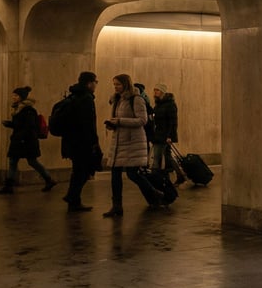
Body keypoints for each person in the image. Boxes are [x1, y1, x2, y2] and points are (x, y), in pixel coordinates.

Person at [102, 73, 163, 217]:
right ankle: (117, 206)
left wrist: (121, 121)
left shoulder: (136, 99)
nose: (115, 87)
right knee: (115, 174)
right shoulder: (116, 100)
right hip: (119, 141)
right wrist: (112, 124)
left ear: (126, 84)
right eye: (114, 84)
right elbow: (117, 119)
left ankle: (155, 193)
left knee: (132, 173)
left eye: (118, 84)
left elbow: (142, 121)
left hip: (133, 142)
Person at [0, 86, 56, 194]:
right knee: (14, 161)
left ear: (21, 97)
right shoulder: (18, 109)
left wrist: (19, 134)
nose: (13, 97)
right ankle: (9, 186)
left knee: (31, 161)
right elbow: (20, 125)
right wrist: (11, 124)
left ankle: (49, 179)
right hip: (20, 140)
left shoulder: (28, 110)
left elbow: (29, 126)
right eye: (13, 95)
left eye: (16, 95)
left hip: (26, 141)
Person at [59, 71, 101, 212]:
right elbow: (88, 123)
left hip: (71, 140)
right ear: (89, 83)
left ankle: (74, 200)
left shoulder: (73, 95)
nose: (96, 85)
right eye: (96, 82)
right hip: (82, 142)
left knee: (78, 170)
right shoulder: (86, 98)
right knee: (83, 171)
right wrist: (94, 142)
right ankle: (72, 196)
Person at [150, 83, 185, 185]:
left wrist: (170, 136)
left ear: (163, 92)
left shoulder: (170, 104)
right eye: (154, 90)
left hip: (165, 134)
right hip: (158, 133)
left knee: (157, 156)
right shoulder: (158, 104)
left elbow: (173, 122)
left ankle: (155, 179)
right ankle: (180, 175)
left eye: (157, 90)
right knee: (167, 156)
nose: (155, 92)